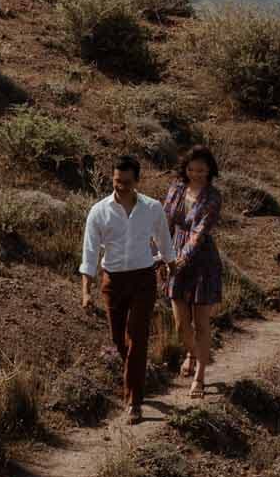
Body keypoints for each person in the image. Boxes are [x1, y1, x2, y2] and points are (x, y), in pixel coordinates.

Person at [80, 153, 175, 423]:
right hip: (113, 281)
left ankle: (134, 401)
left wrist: (170, 263)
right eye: (116, 181)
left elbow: (163, 238)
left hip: (143, 278)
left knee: (137, 336)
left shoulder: (152, 208)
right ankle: (137, 375)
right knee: (118, 339)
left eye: (126, 182)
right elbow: (89, 253)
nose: (120, 186)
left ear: (137, 181)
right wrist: (86, 291)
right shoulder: (99, 211)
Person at [164, 145, 223, 398]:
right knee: (180, 324)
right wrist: (160, 256)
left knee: (200, 322)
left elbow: (199, 233)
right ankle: (194, 353)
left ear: (209, 170)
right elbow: (164, 220)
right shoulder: (176, 189)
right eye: (191, 169)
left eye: (201, 170)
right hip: (174, 255)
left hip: (201, 260)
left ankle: (199, 375)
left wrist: (179, 260)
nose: (195, 174)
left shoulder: (213, 196)